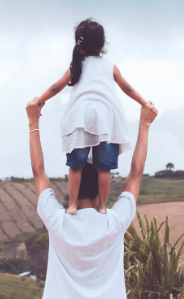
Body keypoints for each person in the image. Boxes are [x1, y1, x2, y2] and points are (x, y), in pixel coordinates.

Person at [26, 96, 158, 299]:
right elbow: (136, 173)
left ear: (72, 188)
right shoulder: (114, 223)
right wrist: (145, 124)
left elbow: (38, 171)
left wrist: (33, 122)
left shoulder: (57, 221)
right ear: (101, 189)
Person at [37, 18, 147, 215]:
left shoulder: (76, 66)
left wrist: (38, 101)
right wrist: (144, 103)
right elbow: (127, 88)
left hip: (80, 118)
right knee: (103, 168)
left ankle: (72, 205)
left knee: (76, 166)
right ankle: (103, 207)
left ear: (79, 44)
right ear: (103, 44)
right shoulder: (110, 66)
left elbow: (56, 87)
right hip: (107, 119)